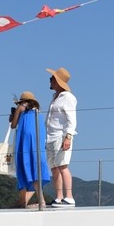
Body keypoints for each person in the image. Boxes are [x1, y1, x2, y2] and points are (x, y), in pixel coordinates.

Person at [10, 91, 48, 209]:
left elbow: (13, 125)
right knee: (35, 167)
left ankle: (34, 201)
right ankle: (34, 200)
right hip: (37, 141)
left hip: (25, 141)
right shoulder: (37, 112)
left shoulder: (21, 107)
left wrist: (13, 117)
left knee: (24, 165)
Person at [45, 67, 77, 207]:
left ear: (58, 81)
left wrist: (68, 136)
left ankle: (69, 197)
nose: (50, 81)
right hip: (50, 136)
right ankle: (59, 197)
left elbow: (71, 119)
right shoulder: (55, 97)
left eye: (52, 78)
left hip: (61, 135)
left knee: (63, 165)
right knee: (54, 167)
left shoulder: (68, 98)